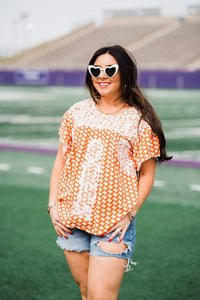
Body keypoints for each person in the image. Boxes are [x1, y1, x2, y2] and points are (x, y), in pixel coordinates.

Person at [47, 45, 171, 300]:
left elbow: (147, 174)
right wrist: (53, 206)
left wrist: (130, 213)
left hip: (113, 224)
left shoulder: (138, 120)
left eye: (110, 70)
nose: (101, 76)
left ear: (124, 74)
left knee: (101, 295)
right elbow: (61, 159)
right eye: (96, 70)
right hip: (71, 218)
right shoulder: (76, 112)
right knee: (85, 291)